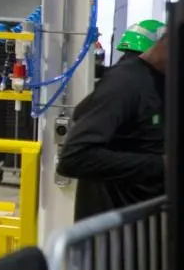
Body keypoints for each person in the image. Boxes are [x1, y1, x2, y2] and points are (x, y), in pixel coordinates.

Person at [56, 21, 166, 221]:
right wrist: (162, 165)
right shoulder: (125, 84)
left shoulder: (155, 85)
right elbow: (74, 158)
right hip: (114, 234)